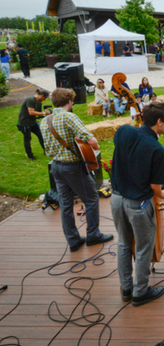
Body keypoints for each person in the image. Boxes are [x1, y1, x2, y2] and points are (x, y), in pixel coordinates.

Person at [111, 101, 164, 307]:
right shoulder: (156, 148)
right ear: (159, 121)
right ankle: (140, 292)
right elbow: (155, 187)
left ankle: (126, 289)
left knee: (123, 243)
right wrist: (163, 193)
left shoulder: (123, 131)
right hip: (138, 204)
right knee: (144, 247)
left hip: (116, 199)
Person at [40, 88, 114, 252]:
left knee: (65, 204)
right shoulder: (69, 117)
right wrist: (95, 145)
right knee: (91, 199)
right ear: (69, 101)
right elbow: (91, 139)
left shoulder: (45, 121)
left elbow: (47, 148)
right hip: (72, 167)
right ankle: (93, 235)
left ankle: (73, 240)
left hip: (56, 167)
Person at [18, 89, 50, 160]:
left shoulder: (39, 103)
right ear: (42, 95)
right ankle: (30, 156)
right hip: (25, 123)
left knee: (41, 135)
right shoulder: (30, 100)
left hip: (33, 122)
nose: (45, 99)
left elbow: (37, 114)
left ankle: (46, 151)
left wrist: (48, 114)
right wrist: (44, 113)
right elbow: (31, 112)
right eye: (45, 98)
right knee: (27, 139)